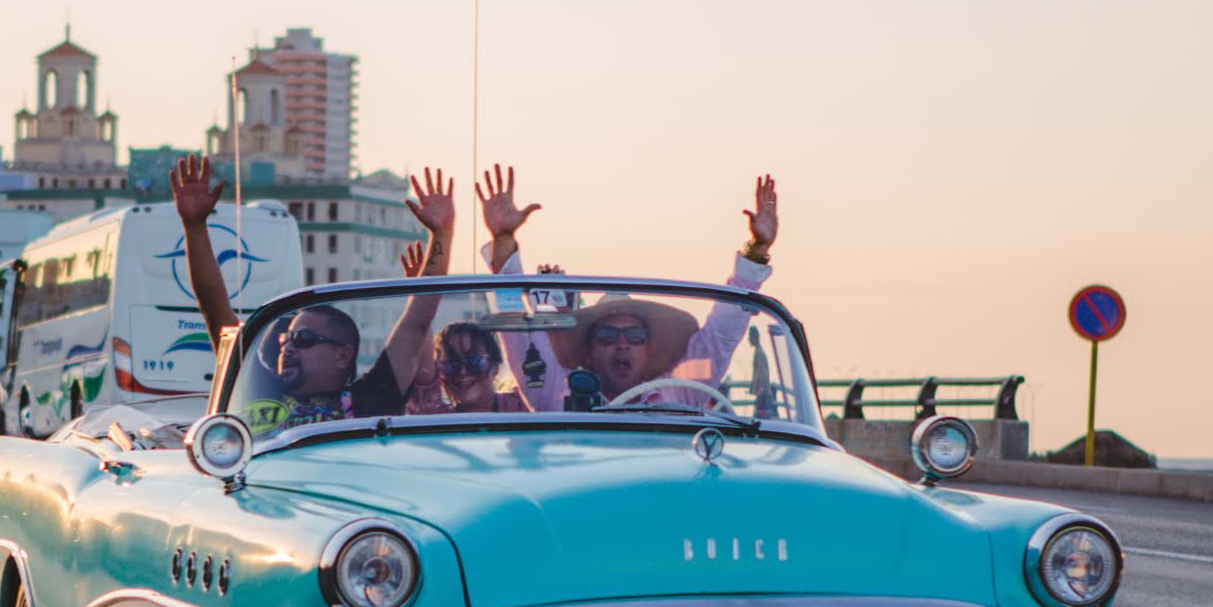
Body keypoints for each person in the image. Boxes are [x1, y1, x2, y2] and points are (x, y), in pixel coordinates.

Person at [170, 154, 453, 431]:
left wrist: (441, 235)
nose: (288, 347)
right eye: (285, 339)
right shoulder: (258, 386)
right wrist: (194, 227)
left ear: (343, 355)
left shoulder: (372, 397)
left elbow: (417, 319)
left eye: (303, 339)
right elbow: (214, 307)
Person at [475, 167, 781, 410]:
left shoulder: (683, 390)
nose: (622, 345)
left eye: (634, 337)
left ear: (649, 350)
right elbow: (513, 321)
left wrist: (757, 249)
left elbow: (721, 336)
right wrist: (503, 242)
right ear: (589, 352)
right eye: (608, 337)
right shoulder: (556, 395)